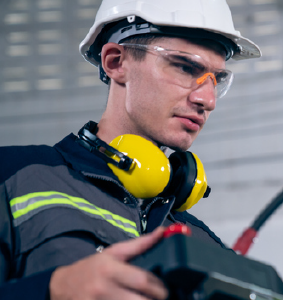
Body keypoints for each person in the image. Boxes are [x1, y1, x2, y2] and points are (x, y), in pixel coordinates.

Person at [0, 0, 261, 299]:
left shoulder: (206, 246)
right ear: (115, 62)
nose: (208, 99)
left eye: (218, 79)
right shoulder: (15, 176)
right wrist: (53, 289)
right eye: (185, 67)